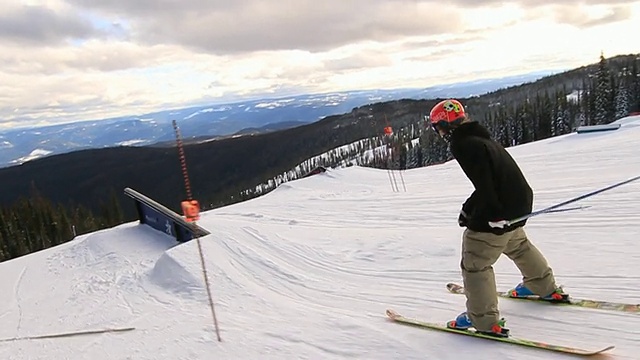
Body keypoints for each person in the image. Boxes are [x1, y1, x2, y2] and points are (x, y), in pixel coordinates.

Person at [428, 99, 568, 338]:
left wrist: (493, 216)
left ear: (444, 125)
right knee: (518, 245)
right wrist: (468, 208)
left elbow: (486, 184)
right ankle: (541, 285)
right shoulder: (480, 137)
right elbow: (488, 181)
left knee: (475, 263)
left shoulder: (462, 144)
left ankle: (482, 319)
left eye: (436, 126)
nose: (437, 131)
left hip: (501, 207)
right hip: (519, 201)